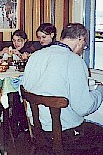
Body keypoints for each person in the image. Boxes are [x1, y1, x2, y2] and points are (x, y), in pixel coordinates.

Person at [22, 23, 103, 153]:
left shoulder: (36, 56)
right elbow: (84, 108)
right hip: (64, 136)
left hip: (37, 130)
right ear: (80, 39)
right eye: (84, 43)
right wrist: (100, 91)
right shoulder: (74, 60)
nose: (83, 47)